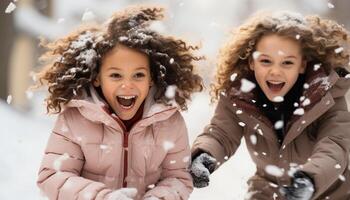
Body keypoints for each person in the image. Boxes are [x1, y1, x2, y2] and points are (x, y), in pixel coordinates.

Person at [36, 5, 203, 200]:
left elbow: (178, 178)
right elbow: (53, 176)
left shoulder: (169, 121)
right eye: (116, 75)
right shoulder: (76, 118)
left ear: (151, 78)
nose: (127, 85)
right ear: (97, 77)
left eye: (138, 75)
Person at [190, 11, 350, 200]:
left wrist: (308, 179)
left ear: (302, 65)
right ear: (251, 62)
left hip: (332, 192)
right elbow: (221, 134)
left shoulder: (326, 98)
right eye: (265, 61)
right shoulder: (240, 96)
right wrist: (204, 155)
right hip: (268, 190)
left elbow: (334, 145)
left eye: (287, 63)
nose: (275, 71)